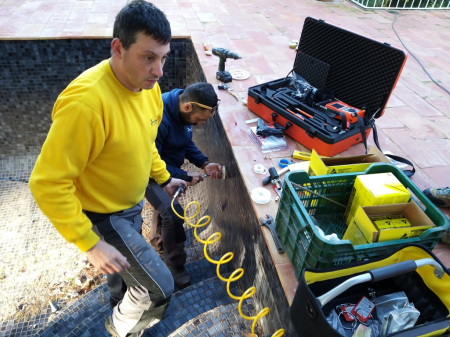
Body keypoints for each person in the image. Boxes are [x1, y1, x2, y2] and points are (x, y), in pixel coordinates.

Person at [28, 1, 186, 336]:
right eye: (148, 57)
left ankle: (119, 304)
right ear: (118, 48)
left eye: (164, 57)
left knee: (122, 272)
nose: (159, 70)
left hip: (130, 204)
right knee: (158, 287)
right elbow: (46, 183)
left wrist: (164, 177)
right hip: (103, 214)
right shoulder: (86, 104)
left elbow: (145, 143)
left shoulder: (149, 88)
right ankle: (117, 329)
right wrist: (89, 242)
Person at [108, 83, 222, 306]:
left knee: (167, 209)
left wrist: (204, 163)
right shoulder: (157, 118)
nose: (200, 124)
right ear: (188, 107)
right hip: (144, 174)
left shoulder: (183, 113)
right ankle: (175, 264)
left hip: (165, 170)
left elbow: (186, 143)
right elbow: (150, 162)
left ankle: (159, 242)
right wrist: (184, 175)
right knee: (172, 212)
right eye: (200, 119)